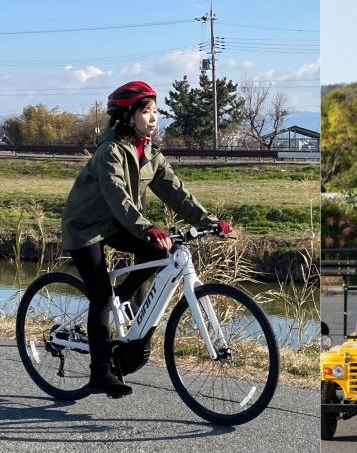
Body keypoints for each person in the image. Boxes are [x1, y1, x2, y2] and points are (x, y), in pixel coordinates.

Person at [61, 81, 231, 397]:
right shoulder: (110, 151)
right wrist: (148, 228)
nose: (153, 117)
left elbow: (176, 191)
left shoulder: (149, 151)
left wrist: (209, 221)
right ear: (127, 116)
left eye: (155, 111)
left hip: (116, 224)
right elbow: (118, 196)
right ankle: (99, 373)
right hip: (85, 228)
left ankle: (123, 298)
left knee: (160, 255)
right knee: (99, 295)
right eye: (145, 111)